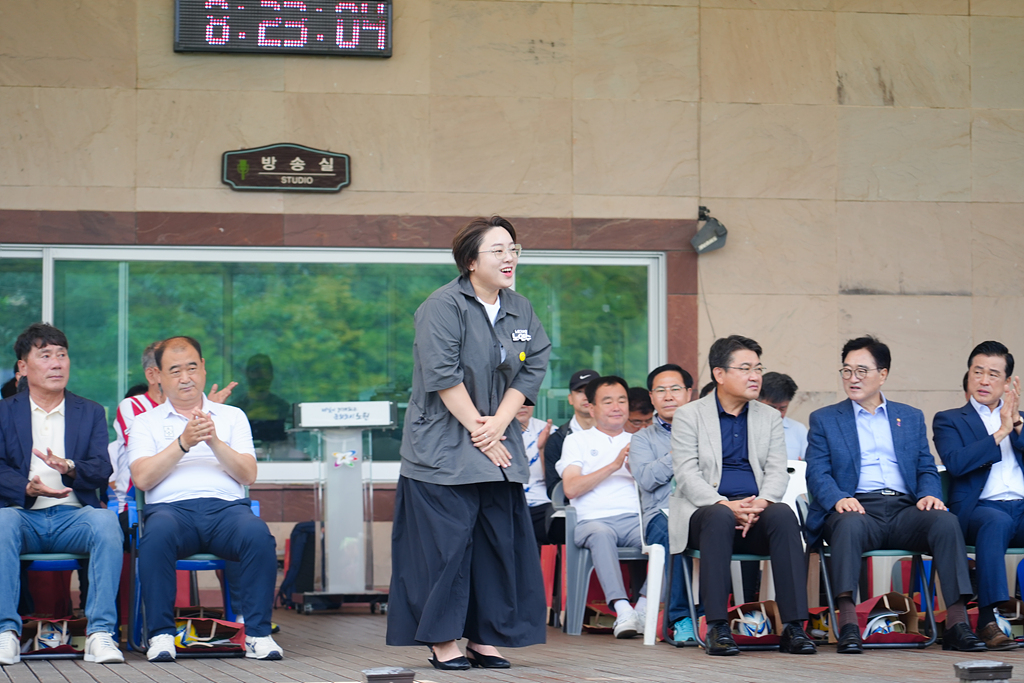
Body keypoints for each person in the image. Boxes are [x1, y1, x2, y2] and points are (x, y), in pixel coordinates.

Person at [386, 216, 551, 671]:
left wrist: (498, 424)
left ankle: (484, 637)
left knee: (497, 546)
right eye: (498, 250)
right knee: (445, 549)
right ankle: (442, 641)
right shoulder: (442, 305)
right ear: (470, 260)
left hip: (497, 445)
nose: (509, 257)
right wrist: (485, 433)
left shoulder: (520, 307)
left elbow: (532, 367)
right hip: (443, 450)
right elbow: (443, 375)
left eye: (513, 249)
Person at [805, 335, 983, 654]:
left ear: (883, 374)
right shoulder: (825, 419)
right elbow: (817, 471)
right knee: (846, 524)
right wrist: (837, 499)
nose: (852, 378)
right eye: (846, 370)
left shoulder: (909, 416)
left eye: (862, 370)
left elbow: (926, 466)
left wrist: (929, 494)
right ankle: (848, 624)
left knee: (945, 522)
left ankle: (957, 624)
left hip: (904, 510)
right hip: (857, 507)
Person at [127, 336, 281, 662]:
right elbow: (141, 478)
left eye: (192, 368)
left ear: (203, 368)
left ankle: (257, 634)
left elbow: (248, 474)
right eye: (175, 370)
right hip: (171, 512)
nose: (186, 378)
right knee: (155, 538)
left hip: (226, 511)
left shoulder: (232, 416)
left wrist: (213, 441)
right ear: (158, 376)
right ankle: (161, 635)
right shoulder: (145, 422)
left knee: (258, 535)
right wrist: (183, 442)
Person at [670, 335, 814, 656]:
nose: (755, 376)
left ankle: (793, 627)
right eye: (745, 368)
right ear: (719, 374)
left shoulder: (768, 417)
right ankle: (718, 627)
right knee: (719, 516)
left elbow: (778, 471)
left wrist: (761, 503)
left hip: (755, 513)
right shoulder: (689, 416)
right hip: (705, 515)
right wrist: (725, 504)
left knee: (783, 515)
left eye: (758, 368)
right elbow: (687, 476)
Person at [0, 323, 124, 665]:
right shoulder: (4, 412)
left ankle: (100, 635)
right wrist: (26, 487)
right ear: (23, 367)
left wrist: (69, 465)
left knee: (105, 522)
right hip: (22, 516)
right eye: (45, 356)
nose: (57, 363)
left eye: (62, 355)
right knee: (1, 522)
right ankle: (5, 633)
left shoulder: (91, 412)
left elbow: (102, 469)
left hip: (74, 517)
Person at [934, 341, 1024, 650]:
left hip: (1021, 509)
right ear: (969, 375)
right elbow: (956, 464)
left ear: (1008, 382)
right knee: (995, 521)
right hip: (978, 510)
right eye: (978, 372)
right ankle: (987, 620)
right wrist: (999, 432)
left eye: (993, 374)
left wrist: (1016, 427)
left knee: (1001, 520)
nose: (984, 380)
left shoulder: (1020, 420)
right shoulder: (949, 419)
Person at [557, 376, 648, 639]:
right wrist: (613, 466)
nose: (617, 407)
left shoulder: (640, 441)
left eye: (622, 400)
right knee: (601, 534)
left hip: (634, 519)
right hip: (592, 521)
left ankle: (641, 607)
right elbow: (571, 488)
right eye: (608, 401)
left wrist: (638, 471)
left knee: (669, 534)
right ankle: (621, 609)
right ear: (592, 407)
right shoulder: (577, 441)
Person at [629, 363, 698, 641]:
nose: (668, 396)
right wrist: (679, 451)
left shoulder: (708, 432)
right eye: (661, 390)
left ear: (689, 393)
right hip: (661, 515)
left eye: (675, 389)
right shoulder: (642, 439)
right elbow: (646, 479)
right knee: (675, 532)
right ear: (652, 397)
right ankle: (681, 618)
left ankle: (711, 616)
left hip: (701, 510)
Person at [544, 368, 597, 500]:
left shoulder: (617, 434)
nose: (586, 396)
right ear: (570, 398)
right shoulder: (557, 439)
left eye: (591, 391)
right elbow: (553, 489)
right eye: (580, 391)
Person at [518, 404, 556, 545]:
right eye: (518, 399)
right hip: (507, 502)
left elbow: (555, 483)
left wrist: (542, 450)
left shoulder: (549, 431)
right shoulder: (492, 432)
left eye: (528, 400)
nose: (523, 405)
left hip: (542, 503)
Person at [758, 372, 808, 461]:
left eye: (782, 408)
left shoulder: (798, 430)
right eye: (771, 408)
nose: (777, 414)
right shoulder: (745, 426)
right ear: (757, 400)